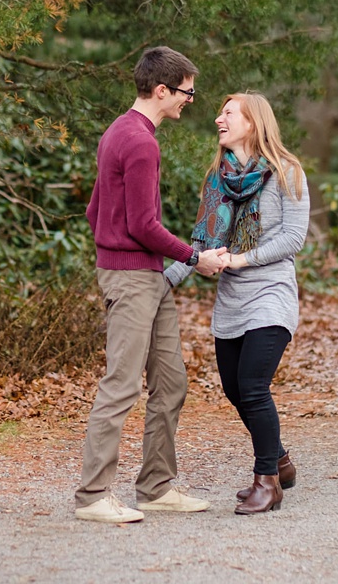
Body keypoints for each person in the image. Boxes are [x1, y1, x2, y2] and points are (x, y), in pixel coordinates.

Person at [74, 46, 228, 524]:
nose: (190, 100)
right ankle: (93, 496)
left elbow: (93, 211)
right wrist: (194, 257)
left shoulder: (121, 131)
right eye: (186, 92)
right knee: (121, 384)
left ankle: (156, 487)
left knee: (171, 382)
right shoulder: (140, 142)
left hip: (147, 275)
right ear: (162, 90)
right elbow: (142, 224)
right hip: (132, 277)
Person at [165, 92, 309, 514]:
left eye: (227, 113)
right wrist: (168, 278)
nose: (217, 119)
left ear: (253, 121)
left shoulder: (287, 171)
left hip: (270, 295)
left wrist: (241, 258)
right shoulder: (218, 176)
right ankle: (279, 459)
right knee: (233, 388)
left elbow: (293, 239)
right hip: (232, 299)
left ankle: (267, 481)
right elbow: (204, 241)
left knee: (253, 386)